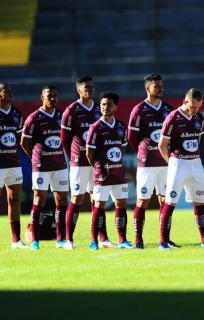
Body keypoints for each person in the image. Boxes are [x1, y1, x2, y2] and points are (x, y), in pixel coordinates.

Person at [158, 88, 204, 250]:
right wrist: (171, 162)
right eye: (192, 107)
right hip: (178, 164)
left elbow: (197, 139)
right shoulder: (173, 118)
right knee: (170, 202)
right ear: (185, 101)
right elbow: (162, 145)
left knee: (200, 202)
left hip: (196, 163)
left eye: (198, 107)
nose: (195, 110)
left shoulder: (198, 117)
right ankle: (163, 241)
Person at [61, 76, 114, 250]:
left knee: (98, 199)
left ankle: (103, 238)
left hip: (97, 163)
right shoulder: (72, 110)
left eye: (92, 87)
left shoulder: (100, 109)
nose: (90, 90)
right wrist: (74, 157)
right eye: (86, 87)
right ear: (78, 90)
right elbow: (64, 138)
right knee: (77, 198)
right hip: (79, 163)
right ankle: (69, 239)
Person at [128, 74, 173, 249]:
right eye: (157, 86)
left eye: (161, 85)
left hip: (165, 163)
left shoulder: (168, 109)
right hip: (146, 163)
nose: (160, 88)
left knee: (166, 200)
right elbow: (132, 137)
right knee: (143, 200)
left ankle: (164, 240)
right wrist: (143, 151)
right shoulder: (138, 110)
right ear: (148, 89)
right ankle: (138, 239)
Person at [21, 85, 68, 250]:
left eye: (55, 95)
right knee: (38, 200)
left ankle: (61, 239)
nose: (53, 98)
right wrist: (34, 157)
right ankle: (34, 239)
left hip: (60, 165)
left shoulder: (62, 117)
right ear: (42, 97)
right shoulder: (34, 118)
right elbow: (24, 142)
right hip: (41, 166)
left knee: (61, 201)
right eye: (49, 96)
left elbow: (67, 139)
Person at [86, 91, 131, 250]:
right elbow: (89, 153)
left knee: (121, 204)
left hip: (118, 174)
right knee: (99, 206)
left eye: (109, 104)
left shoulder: (121, 126)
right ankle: (94, 241)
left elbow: (123, 149)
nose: (105, 107)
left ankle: (123, 240)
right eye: (103, 104)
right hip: (102, 175)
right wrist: (98, 167)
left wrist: (115, 164)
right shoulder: (95, 127)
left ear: (116, 107)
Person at [0, 82, 28, 248]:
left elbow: (19, 139)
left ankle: (16, 240)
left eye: (9, 90)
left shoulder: (16, 114)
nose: (8, 93)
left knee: (15, 199)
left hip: (13, 163)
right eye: (4, 90)